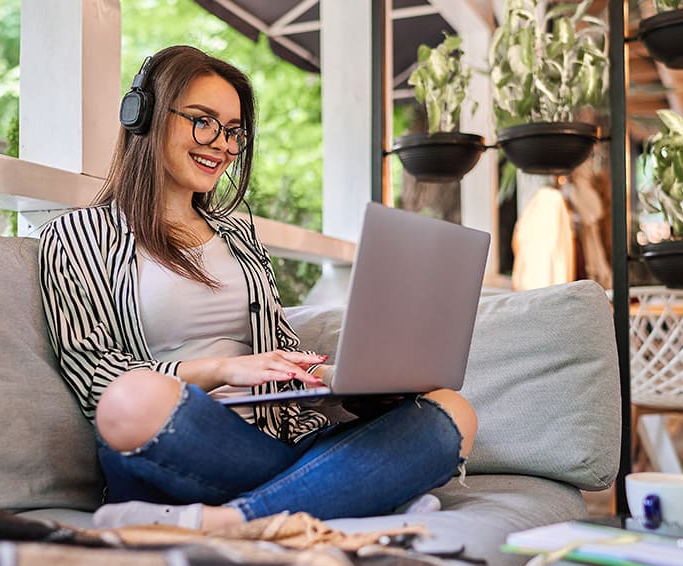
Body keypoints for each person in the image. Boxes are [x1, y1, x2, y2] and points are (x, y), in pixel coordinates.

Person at [38, 45, 477, 532]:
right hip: (181, 438)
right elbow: (96, 377)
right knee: (132, 400)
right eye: (204, 121)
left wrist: (337, 379)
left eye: (233, 132)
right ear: (143, 116)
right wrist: (223, 368)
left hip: (275, 440)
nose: (222, 145)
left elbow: (279, 349)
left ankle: (230, 520)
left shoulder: (238, 237)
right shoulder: (76, 235)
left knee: (452, 412)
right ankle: (358, 491)